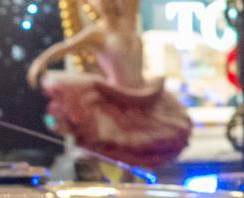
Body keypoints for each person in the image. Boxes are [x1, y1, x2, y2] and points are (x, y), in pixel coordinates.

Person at [25, 0, 191, 170]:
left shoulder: (129, 24)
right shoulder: (97, 32)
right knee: (116, 151)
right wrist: (40, 61)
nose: (109, 5)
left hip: (144, 98)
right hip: (116, 98)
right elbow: (65, 47)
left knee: (149, 150)